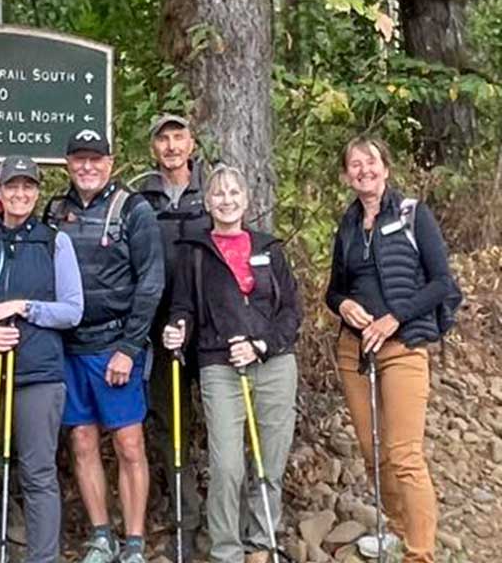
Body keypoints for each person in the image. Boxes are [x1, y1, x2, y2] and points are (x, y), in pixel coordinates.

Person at [325, 136, 458, 563]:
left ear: (386, 168)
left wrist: (394, 317)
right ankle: (400, 532)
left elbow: (442, 283)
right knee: (372, 454)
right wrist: (343, 305)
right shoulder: (346, 225)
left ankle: (421, 554)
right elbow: (333, 291)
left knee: (403, 455)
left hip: (403, 346)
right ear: (346, 175)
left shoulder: (413, 215)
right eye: (355, 164)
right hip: (355, 351)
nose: (364, 169)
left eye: (371, 162)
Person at [0, 155, 84, 563]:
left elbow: (72, 310)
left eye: (28, 187)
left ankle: (42, 557)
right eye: (12, 187)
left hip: (37, 371)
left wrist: (24, 307)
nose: (19, 194)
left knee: (37, 471)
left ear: (37, 192)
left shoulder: (54, 241)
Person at [164, 165, 301, 563]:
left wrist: (261, 345)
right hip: (219, 364)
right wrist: (177, 330)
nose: (226, 200)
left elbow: (291, 311)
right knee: (226, 467)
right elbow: (183, 307)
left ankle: (262, 542)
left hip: (273, 362)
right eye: (218, 194)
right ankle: (227, 550)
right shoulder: (194, 251)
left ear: (246, 199)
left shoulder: (270, 248)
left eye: (233, 193)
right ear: (207, 202)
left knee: (269, 463)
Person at [43, 129, 164, 563]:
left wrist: (129, 348)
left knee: (129, 443)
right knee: (81, 440)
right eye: (79, 159)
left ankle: (133, 543)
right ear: (68, 164)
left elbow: (150, 281)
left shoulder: (133, 209)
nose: (87, 167)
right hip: (68, 346)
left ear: (111, 163)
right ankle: (100, 536)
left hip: (115, 344)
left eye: (96, 159)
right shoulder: (54, 210)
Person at [134, 114, 208, 560]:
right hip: (162, 327)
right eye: (163, 138)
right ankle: (187, 515)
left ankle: (226, 518)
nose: (171, 145)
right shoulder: (140, 195)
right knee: (169, 422)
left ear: (192, 143)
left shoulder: (214, 189)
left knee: (221, 423)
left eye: (179, 136)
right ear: (154, 149)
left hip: (213, 324)